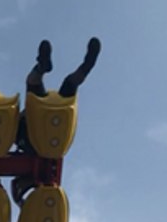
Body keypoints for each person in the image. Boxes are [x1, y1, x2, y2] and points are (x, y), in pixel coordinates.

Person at [12, 37, 101, 204]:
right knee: (65, 85)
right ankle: (83, 66)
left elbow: (17, 191)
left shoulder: (26, 173)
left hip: (35, 131)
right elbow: (17, 192)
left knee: (62, 85)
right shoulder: (40, 175)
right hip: (44, 130)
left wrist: (22, 203)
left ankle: (43, 66)